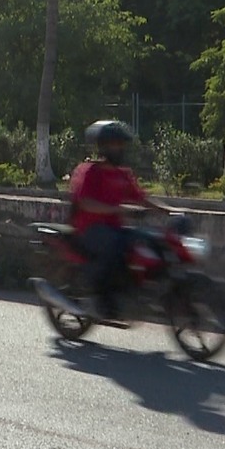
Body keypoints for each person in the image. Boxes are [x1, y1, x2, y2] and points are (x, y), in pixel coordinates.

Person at [68, 120, 172, 319]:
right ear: (103, 146)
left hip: (114, 229)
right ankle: (98, 296)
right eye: (115, 144)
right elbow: (85, 202)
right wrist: (116, 209)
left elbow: (141, 198)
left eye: (121, 144)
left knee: (148, 241)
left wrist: (166, 210)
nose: (119, 148)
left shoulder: (122, 174)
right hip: (89, 230)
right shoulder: (89, 171)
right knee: (116, 247)